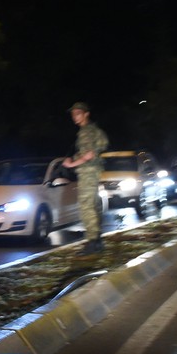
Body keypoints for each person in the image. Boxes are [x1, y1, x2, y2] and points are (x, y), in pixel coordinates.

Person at [62, 102, 109, 255]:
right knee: (94, 206)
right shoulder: (92, 130)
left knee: (86, 207)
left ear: (86, 114)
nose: (74, 117)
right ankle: (97, 242)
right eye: (73, 114)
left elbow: (89, 154)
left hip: (88, 172)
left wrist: (71, 164)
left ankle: (92, 242)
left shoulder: (86, 132)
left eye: (78, 113)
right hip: (93, 172)